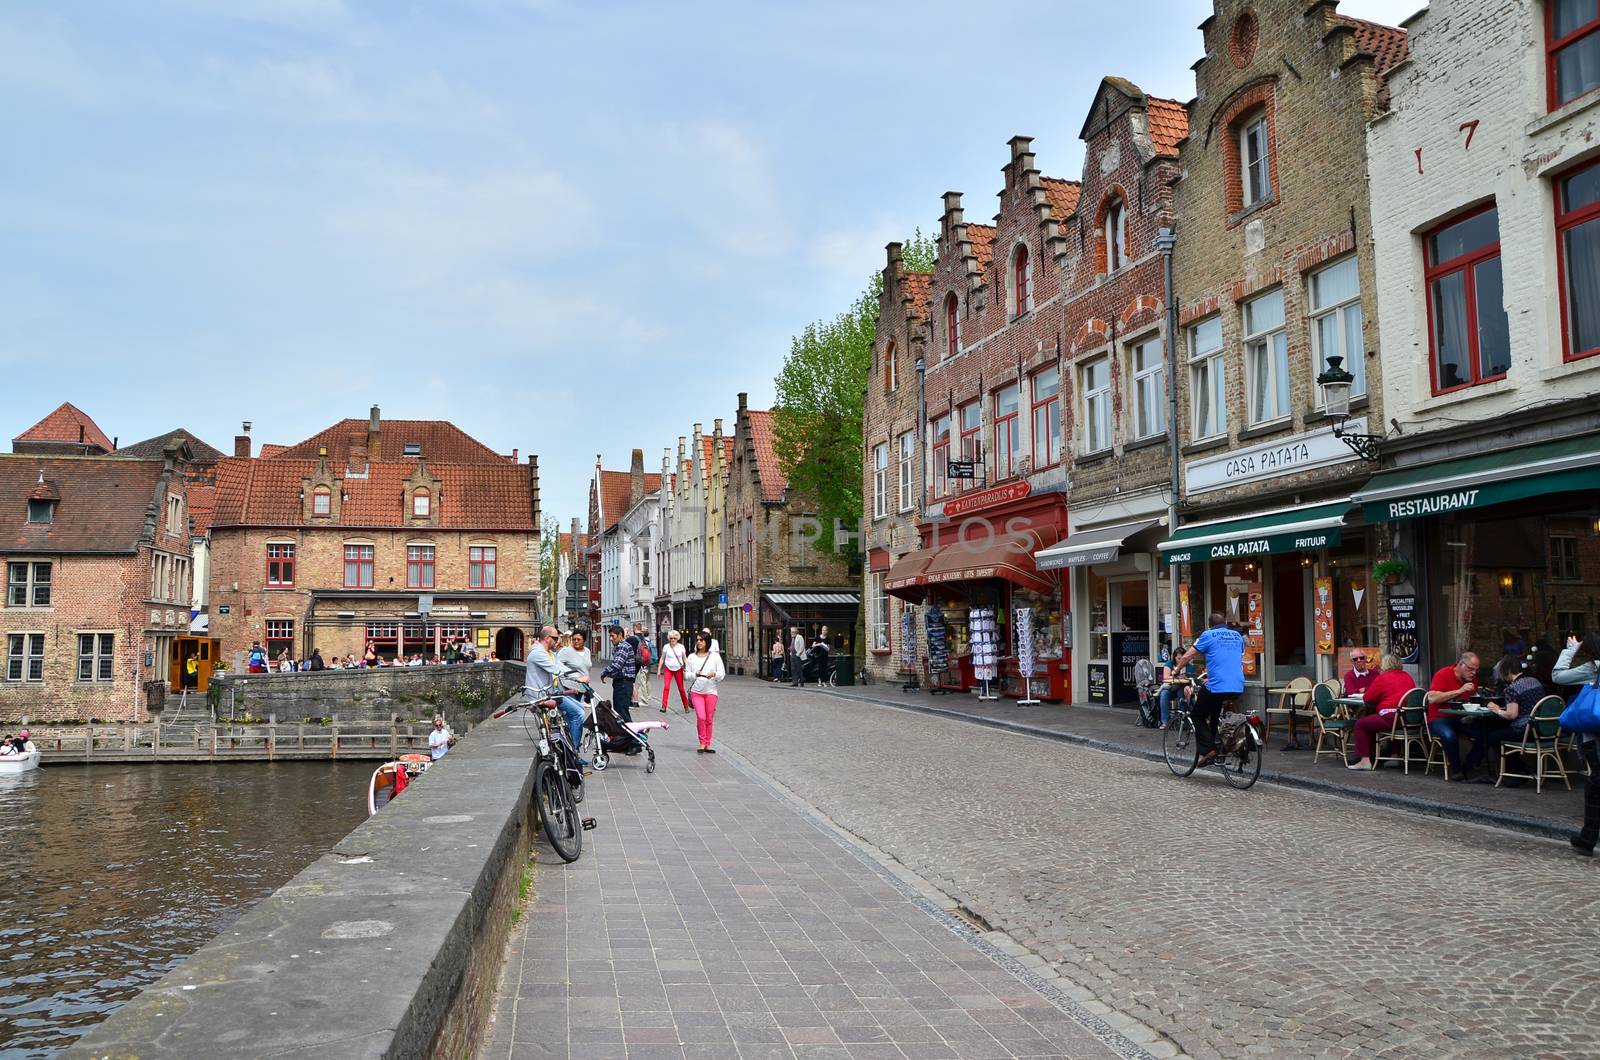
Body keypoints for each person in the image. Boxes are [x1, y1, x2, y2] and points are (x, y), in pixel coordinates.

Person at [1174, 612, 1245, 767]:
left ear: (1209, 624)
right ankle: (1217, 747)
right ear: (1225, 622)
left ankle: (1208, 750)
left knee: (1197, 715)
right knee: (1214, 713)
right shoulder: (1237, 636)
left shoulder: (1208, 635)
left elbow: (1187, 657)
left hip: (1218, 686)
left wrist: (1176, 670)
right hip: (1238, 685)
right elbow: (1232, 659)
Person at [1463, 655, 1546, 784]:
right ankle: (1518, 768)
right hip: (1541, 728)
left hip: (1525, 730)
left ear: (1506, 671)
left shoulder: (1513, 688)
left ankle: (1513, 772)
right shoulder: (1535, 681)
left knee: (1493, 736)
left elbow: (1512, 715)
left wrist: (1497, 709)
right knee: (1499, 732)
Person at [1346, 654, 1418, 770]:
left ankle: (1365, 761)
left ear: (1385, 665)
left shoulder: (1383, 678)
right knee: (1391, 725)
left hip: (1391, 716)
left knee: (1361, 724)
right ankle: (1394, 755)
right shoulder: (1408, 676)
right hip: (1408, 717)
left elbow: (1368, 698)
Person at [527, 625, 587, 759]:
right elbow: (555, 668)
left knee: (580, 708)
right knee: (577, 714)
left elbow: (560, 666)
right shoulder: (538, 653)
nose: (558, 641)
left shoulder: (548, 652)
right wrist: (578, 678)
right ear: (547, 638)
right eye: (555, 638)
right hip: (542, 696)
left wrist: (577, 676)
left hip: (552, 692)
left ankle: (569, 747)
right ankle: (573, 754)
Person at [1424, 651, 1481, 780]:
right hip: (1439, 718)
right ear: (1461, 664)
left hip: (1461, 718)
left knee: (1484, 733)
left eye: (1476, 670)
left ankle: (1469, 766)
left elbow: (1472, 698)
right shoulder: (1443, 674)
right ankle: (1456, 769)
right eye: (1471, 669)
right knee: (1449, 734)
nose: (1473, 673)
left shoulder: (1473, 679)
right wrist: (1460, 691)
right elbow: (1432, 698)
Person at [686, 631, 726, 753]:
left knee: (709, 719)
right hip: (696, 692)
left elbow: (722, 674)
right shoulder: (692, 657)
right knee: (701, 717)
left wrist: (714, 674)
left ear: (707, 642)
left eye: (701, 640)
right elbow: (686, 675)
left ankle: (708, 743)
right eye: (697, 640)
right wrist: (694, 674)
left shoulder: (714, 657)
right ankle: (702, 742)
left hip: (711, 692)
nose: (699, 642)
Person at [600, 624, 639, 724]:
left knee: (622, 712)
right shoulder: (619, 647)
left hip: (624, 683)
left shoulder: (623, 646)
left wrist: (604, 673)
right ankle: (625, 736)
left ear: (620, 635)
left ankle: (633, 737)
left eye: (613, 636)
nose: (610, 639)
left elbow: (617, 664)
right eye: (610, 636)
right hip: (621, 683)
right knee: (620, 710)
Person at [657, 629, 689, 713]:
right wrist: (659, 669)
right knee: (666, 687)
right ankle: (664, 706)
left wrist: (689, 668)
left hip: (678, 669)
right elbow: (662, 658)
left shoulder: (681, 647)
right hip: (668, 668)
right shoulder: (666, 647)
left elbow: (685, 658)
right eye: (671, 638)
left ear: (677, 638)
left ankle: (686, 706)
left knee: (681, 688)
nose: (673, 640)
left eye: (674, 638)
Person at [557, 629, 594, 699]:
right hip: (570, 687)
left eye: (579, 639)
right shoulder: (566, 651)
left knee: (581, 707)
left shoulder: (587, 651)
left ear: (584, 640)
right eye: (574, 639)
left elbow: (586, 668)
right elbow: (557, 666)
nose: (576, 641)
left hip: (584, 687)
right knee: (576, 709)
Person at [632, 622, 652, 710]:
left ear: (634, 628)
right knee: (646, 681)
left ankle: (643, 700)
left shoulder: (635, 638)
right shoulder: (645, 639)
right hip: (646, 662)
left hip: (638, 662)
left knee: (639, 681)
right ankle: (647, 697)